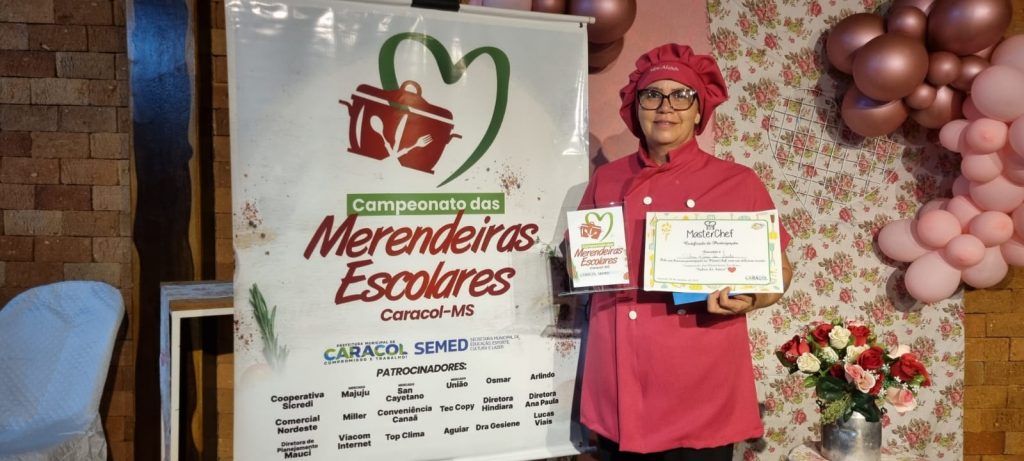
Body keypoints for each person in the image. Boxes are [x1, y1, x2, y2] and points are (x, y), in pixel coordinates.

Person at [576, 43, 794, 460]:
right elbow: (582, 259)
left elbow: (779, 271)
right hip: (619, 378)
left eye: (681, 95)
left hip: (699, 383)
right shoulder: (606, 178)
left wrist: (754, 296)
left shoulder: (738, 182)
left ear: (699, 111)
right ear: (636, 108)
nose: (665, 107)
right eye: (652, 95)